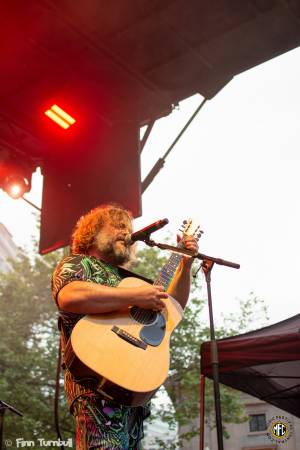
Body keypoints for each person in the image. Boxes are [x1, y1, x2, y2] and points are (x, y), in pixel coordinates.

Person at [51, 203, 198, 450]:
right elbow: (70, 295)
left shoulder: (131, 281)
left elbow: (172, 308)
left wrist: (184, 264)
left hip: (134, 396)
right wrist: (134, 297)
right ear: (92, 232)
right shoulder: (78, 263)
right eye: (118, 226)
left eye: (128, 227)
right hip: (94, 390)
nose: (125, 232)